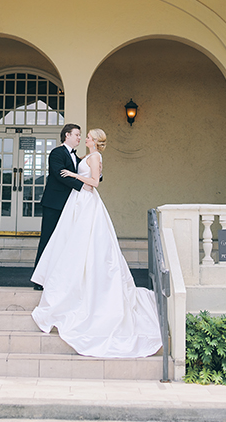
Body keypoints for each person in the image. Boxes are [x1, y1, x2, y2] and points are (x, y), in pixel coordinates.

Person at [31, 129, 162, 359]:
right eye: (81, 135)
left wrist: (75, 176)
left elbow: (94, 182)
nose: (84, 139)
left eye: (88, 136)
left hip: (86, 200)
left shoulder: (93, 157)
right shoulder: (77, 155)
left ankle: (84, 281)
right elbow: (90, 175)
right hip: (76, 201)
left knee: (87, 243)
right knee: (69, 243)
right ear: (67, 136)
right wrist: (83, 176)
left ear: (96, 141)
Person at [31, 123, 84, 290]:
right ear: (67, 135)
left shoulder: (76, 157)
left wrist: (98, 174)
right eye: (77, 134)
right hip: (54, 204)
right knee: (47, 240)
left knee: (65, 241)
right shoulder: (56, 153)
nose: (79, 138)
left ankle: (59, 278)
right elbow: (60, 174)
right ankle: (39, 280)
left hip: (69, 205)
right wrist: (81, 186)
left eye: (80, 135)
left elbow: (85, 171)